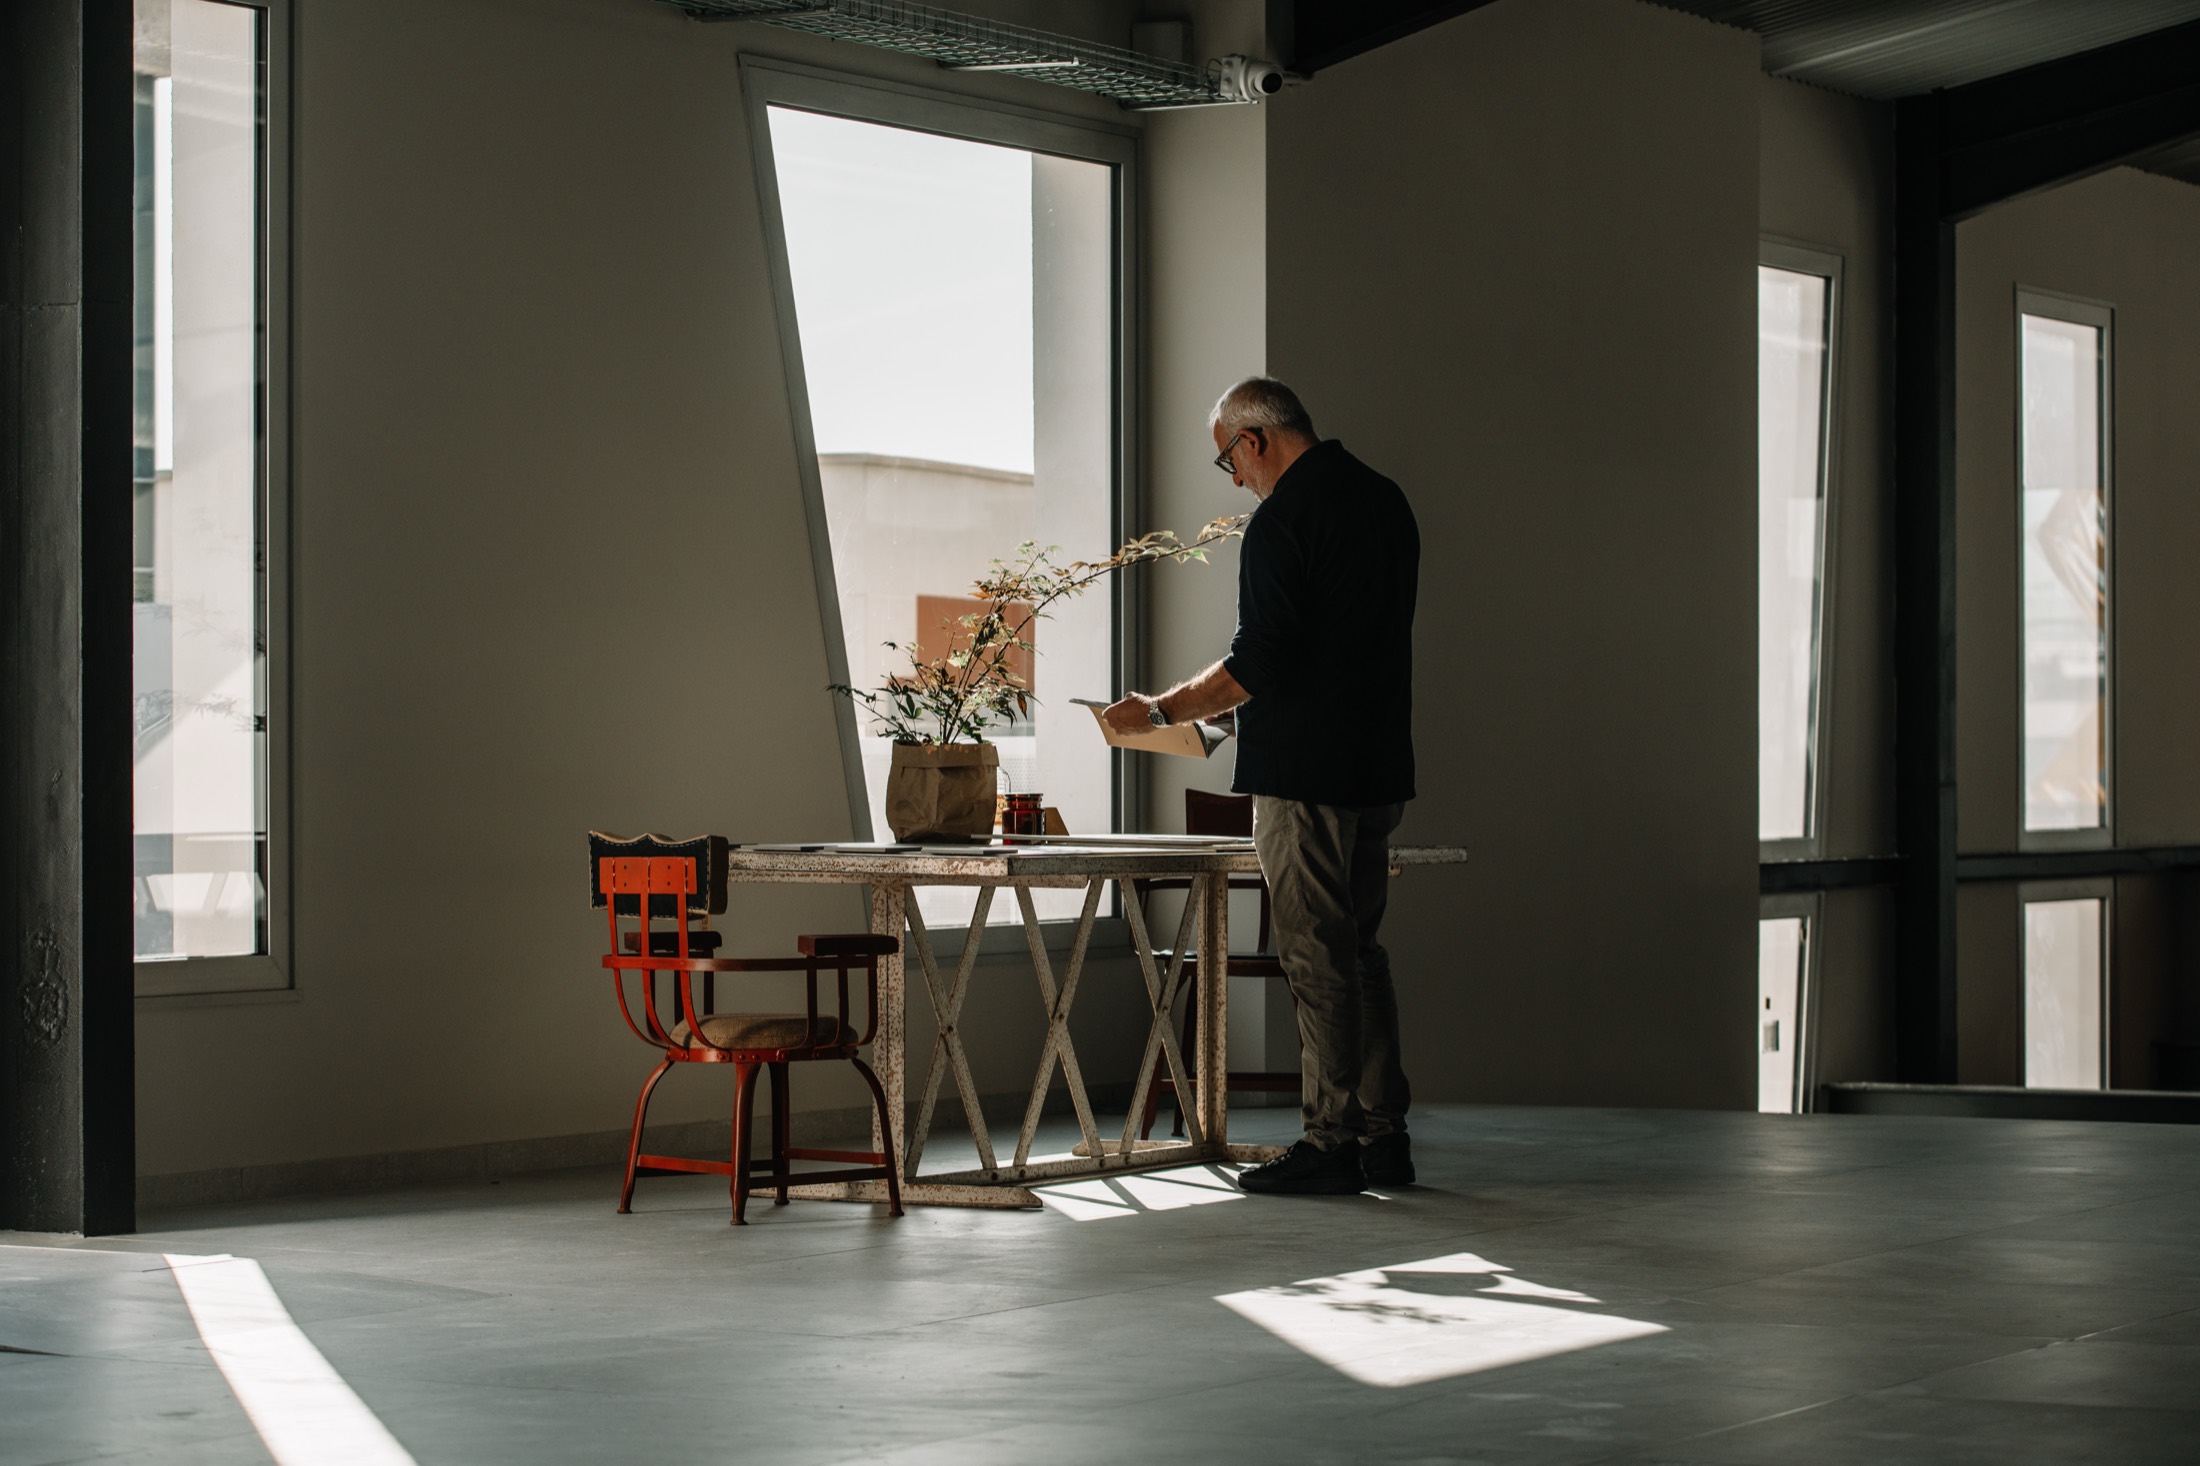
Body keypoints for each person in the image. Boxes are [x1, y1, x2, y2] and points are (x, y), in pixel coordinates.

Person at [1104, 377, 1419, 1195]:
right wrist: (1232, 724)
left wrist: (1161, 709)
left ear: (1254, 441)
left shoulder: (1284, 519)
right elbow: (1340, 656)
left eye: (1227, 460)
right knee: (1361, 953)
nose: (1234, 478)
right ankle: (1386, 1138)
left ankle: (1329, 1144)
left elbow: (1259, 661)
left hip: (1305, 779)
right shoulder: (1387, 503)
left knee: (1316, 957)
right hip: (1377, 763)